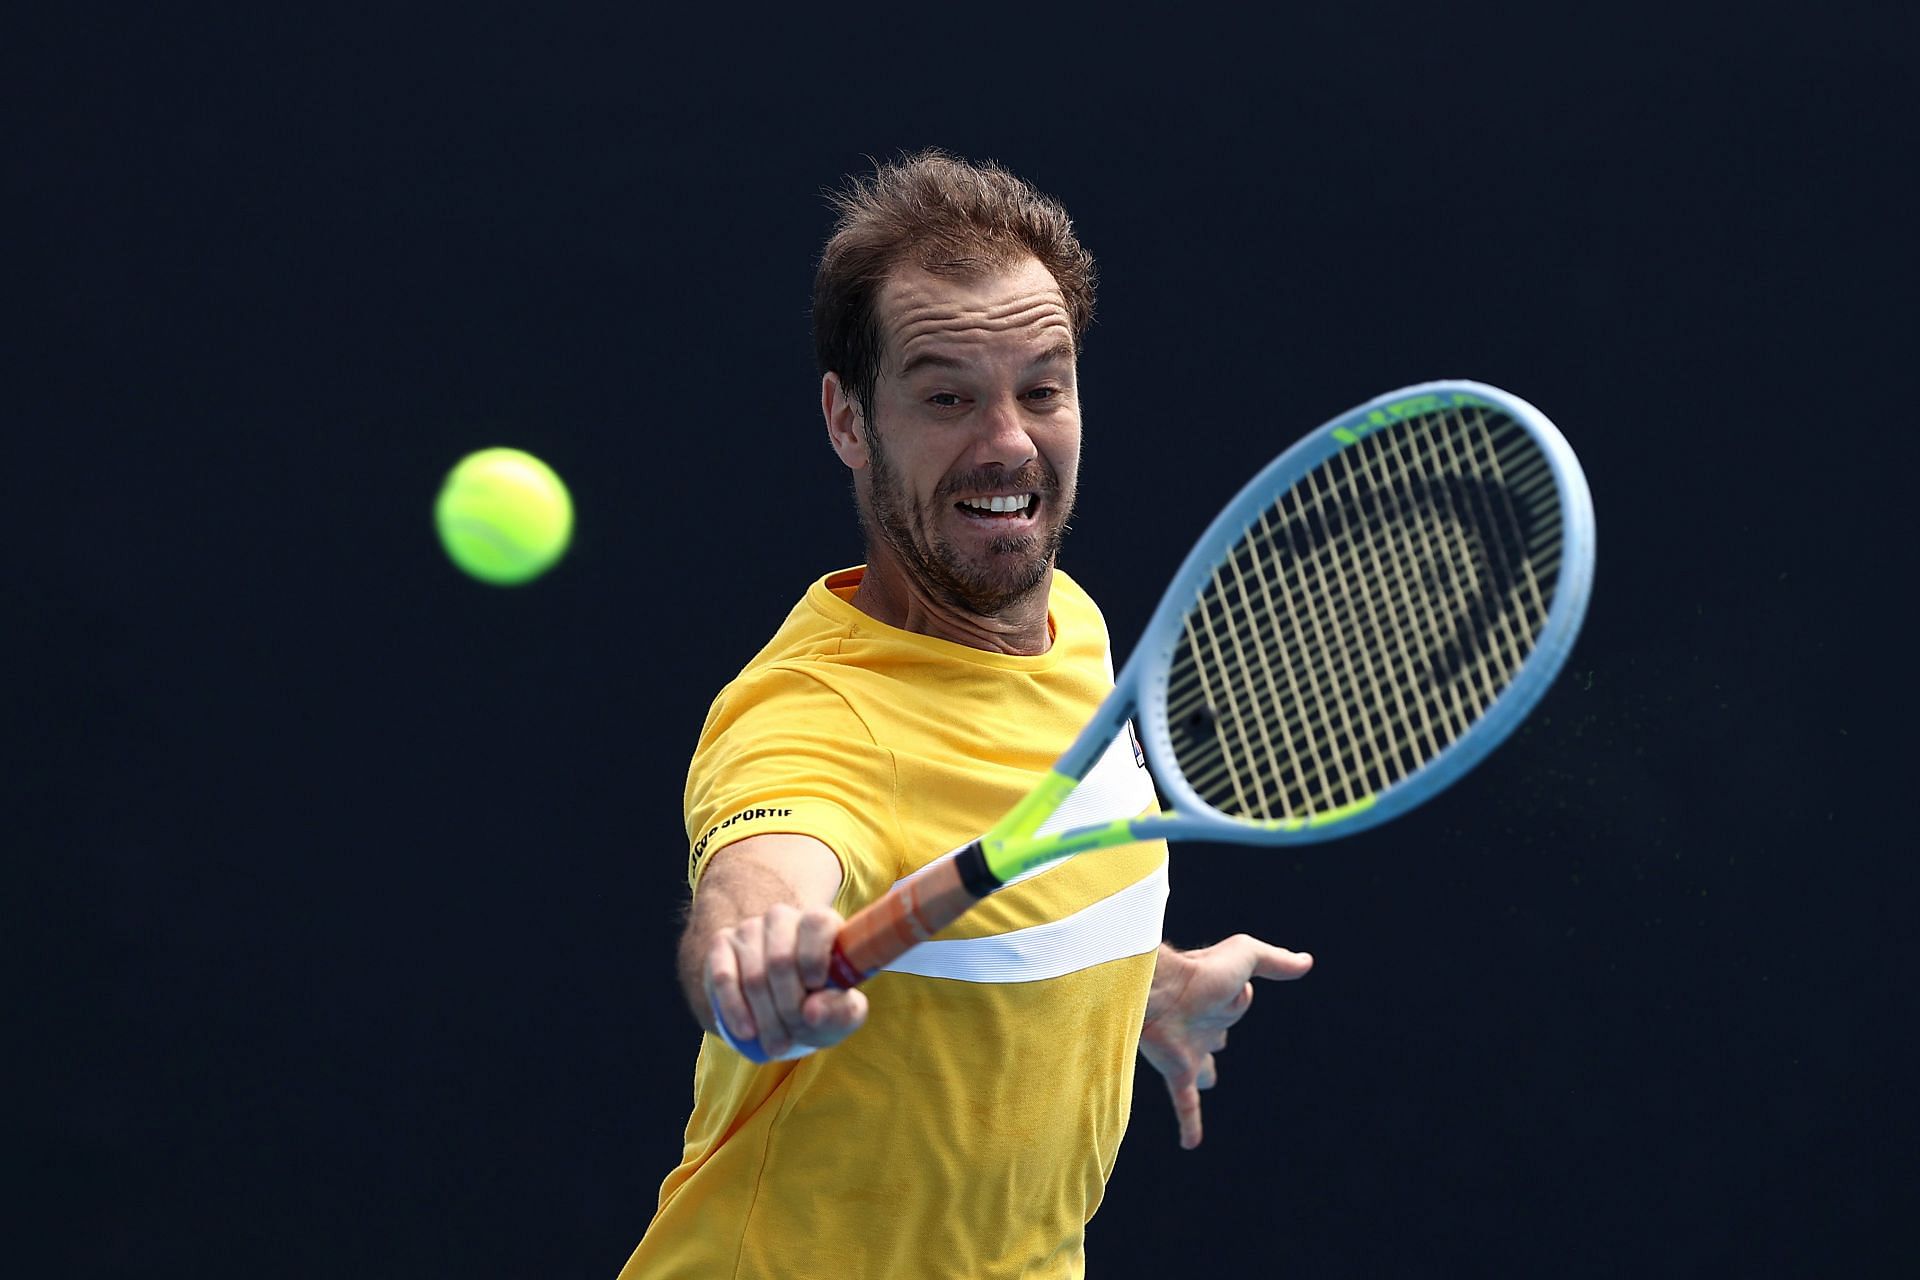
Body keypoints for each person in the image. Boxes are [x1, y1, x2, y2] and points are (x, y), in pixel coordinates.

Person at [620, 148, 1313, 1279]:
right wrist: (757, 959)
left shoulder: (1076, 632)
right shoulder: (813, 713)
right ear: (849, 421)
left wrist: (1142, 981)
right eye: (947, 396)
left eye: (1043, 386)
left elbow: (1012, 919)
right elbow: (758, 883)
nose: (1007, 439)